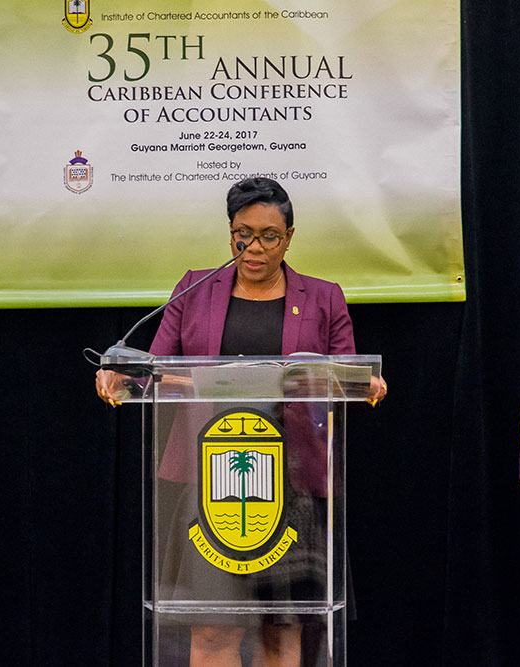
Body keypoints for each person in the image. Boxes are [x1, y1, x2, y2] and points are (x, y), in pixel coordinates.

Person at [96, 178, 387, 666]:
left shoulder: (323, 297)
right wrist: (119, 373)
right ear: (230, 233)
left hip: (293, 486)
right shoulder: (193, 290)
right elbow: (155, 370)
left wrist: (364, 384)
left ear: (289, 237)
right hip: (208, 482)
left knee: (282, 628)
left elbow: (346, 381)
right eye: (243, 234)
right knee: (213, 629)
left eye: (269, 236)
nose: (254, 247)